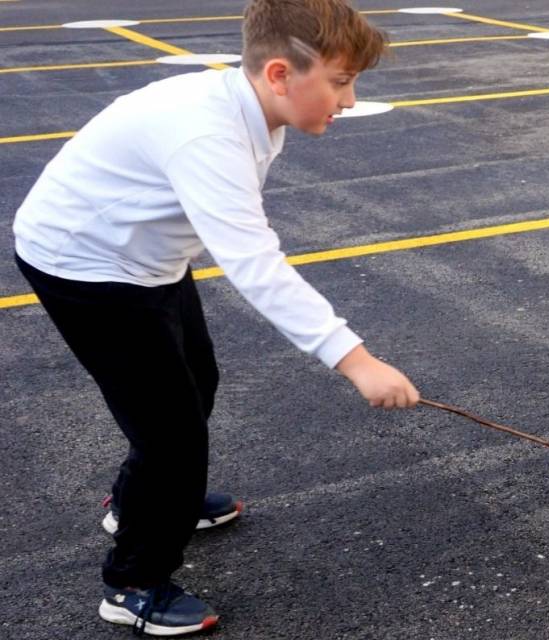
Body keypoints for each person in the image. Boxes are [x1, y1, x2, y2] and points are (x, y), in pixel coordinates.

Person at [11, 0, 419, 634]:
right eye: (340, 82)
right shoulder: (208, 132)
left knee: (196, 378)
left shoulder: (254, 109)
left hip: (144, 257)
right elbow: (256, 264)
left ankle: (141, 503)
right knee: (171, 435)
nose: (349, 99)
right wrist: (357, 361)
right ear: (281, 73)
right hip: (85, 266)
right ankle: (132, 584)